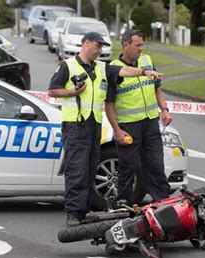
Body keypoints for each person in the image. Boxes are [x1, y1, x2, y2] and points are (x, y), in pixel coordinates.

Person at [48, 32, 162, 227]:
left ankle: (84, 210)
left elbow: (123, 72)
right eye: (97, 46)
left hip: (94, 125)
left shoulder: (101, 67)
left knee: (91, 168)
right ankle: (74, 213)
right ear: (86, 43)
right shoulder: (68, 66)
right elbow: (52, 90)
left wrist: (144, 72)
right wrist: (72, 92)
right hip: (75, 125)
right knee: (77, 169)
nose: (100, 50)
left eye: (102, 47)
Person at [105, 29, 172, 208]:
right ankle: (123, 203)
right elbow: (109, 104)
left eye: (142, 45)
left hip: (150, 122)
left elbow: (157, 87)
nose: (141, 49)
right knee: (128, 165)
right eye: (138, 45)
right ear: (125, 44)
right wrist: (117, 130)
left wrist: (164, 109)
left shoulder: (147, 61)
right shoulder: (114, 69)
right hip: (129, 125)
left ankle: (162, 201)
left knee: (155, 164)